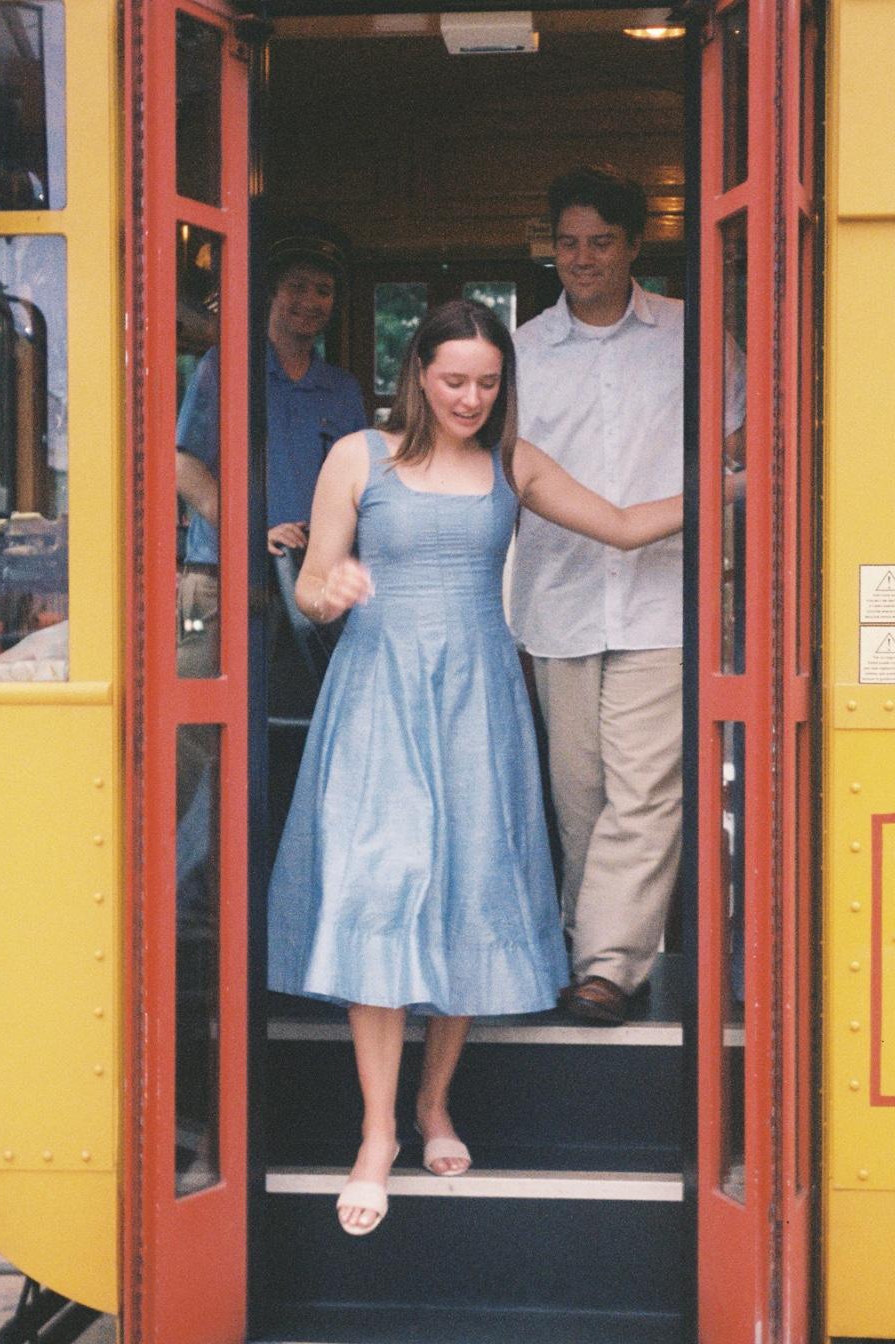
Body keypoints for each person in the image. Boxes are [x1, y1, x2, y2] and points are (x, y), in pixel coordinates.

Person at [266, 300, 684, 1236]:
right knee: (378, 890)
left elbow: (617, 526)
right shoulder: (359, 458)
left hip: (479, 702)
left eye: (488, 383)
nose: (471, 398)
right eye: (454, 380)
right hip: (378, 697)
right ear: (418, 373)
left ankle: (431, 1106)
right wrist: (327, 589)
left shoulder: (512, 462)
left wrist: (735, 489)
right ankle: (377, 1134)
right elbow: (309, 582)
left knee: (468, 893)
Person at [510, 166, 745, 1026]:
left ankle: (607, 968)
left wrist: (728, 472)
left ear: (634, 246)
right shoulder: (524, 350)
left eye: (600, 243)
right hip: (555, 600)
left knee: (648, 788)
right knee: (581, 792)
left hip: (661, 597)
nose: (583, 259)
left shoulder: (692, 334)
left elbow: (751, 423)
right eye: (568, 244)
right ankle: (589, 947)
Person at [175, 223, 367, 678]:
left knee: (302, 720)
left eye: (323, 290)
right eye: (296, 287)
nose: (310, 301)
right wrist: (251, 529)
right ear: (271, 294)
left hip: (312, 579)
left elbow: (364, 486)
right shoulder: (224, 367)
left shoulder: (342, 390)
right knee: (203, 728)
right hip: (223, 575)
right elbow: (182, 465)